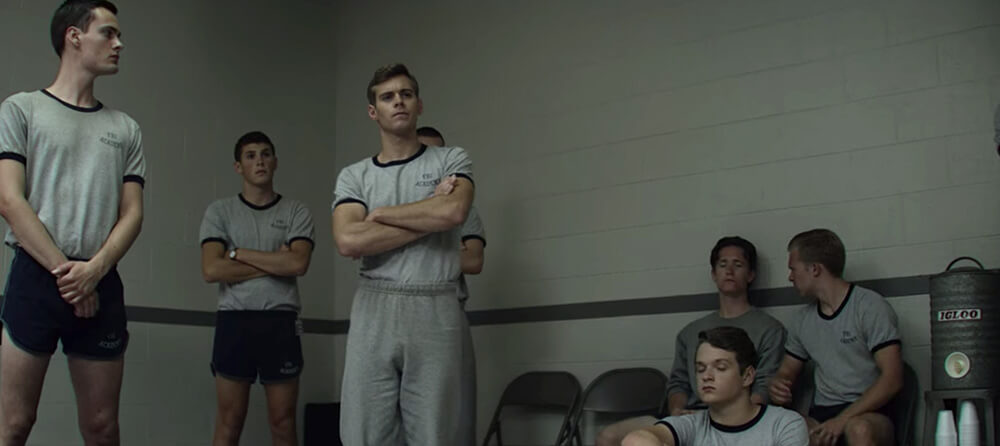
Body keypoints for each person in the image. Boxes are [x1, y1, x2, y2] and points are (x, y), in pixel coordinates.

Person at [0, 1, 145, 444]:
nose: (119, 44)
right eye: (108, 33)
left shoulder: (125, 128)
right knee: (14, 424)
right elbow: (9, 199)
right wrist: (69, 276)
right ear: (74, 36)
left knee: (102, 428)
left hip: (98, 279)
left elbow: (133, 213)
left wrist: (93, 273)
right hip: (37, 278)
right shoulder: (21, 109)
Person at [333, 64, 475, 444]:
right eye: (387, 96)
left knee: (434, 433)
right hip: (375, 306)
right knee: (364, 431)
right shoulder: (354, 176)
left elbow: (453, 212)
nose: (398, 101)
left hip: (435, 304)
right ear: (372, 111)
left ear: (419, 104)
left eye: (406, 94)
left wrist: (381, 215)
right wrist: (427, 208)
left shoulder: (450, 160)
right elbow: (348, 240)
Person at [597, 237, 786, 446]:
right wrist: (677, 409)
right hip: (689, 418)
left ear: (751, 275)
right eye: (723, 265)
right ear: (714, 274)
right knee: (609, 436)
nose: (729, 271)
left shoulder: (769, 329)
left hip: (739, 419)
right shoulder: (691, 332)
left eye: (738, 265)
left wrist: (732, 420)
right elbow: (678, 383)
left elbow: (764, 386)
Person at [200, 131, 314, 446]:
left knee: (282, 421)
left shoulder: (296, 212)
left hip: (280, 324)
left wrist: (238, 253)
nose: (259, 161)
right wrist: (274, 261)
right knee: (230, 421)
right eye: (250, 155)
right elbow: (212, 270)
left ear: (275, 162)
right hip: (235, 322)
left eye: (265, 154)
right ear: (239, 166)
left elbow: (297, 265)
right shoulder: (219, 212)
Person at [769, 229, 902, 446]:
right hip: (823, 414)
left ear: (814, 269)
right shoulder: (803, 320)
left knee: (858, 429)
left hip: (870, 412)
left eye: (793, 269)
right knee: (783, 425)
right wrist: (779, 384)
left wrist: (843, 420)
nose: (790, 277)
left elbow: (893, 378)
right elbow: (787, 371)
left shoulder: (869, 307)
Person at [621, 327, 808, 446]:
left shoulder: (785, 424)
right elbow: (634, 441)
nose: (707, 376)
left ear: (748, 376)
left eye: (720, 367)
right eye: (700, 369)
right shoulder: (690, 425)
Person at [417, 125, 485, 445]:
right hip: (404, 310)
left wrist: (412, 245)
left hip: (448, 311)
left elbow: (473, 261)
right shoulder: (397, 205)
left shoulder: (465, 211)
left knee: (454, 414)